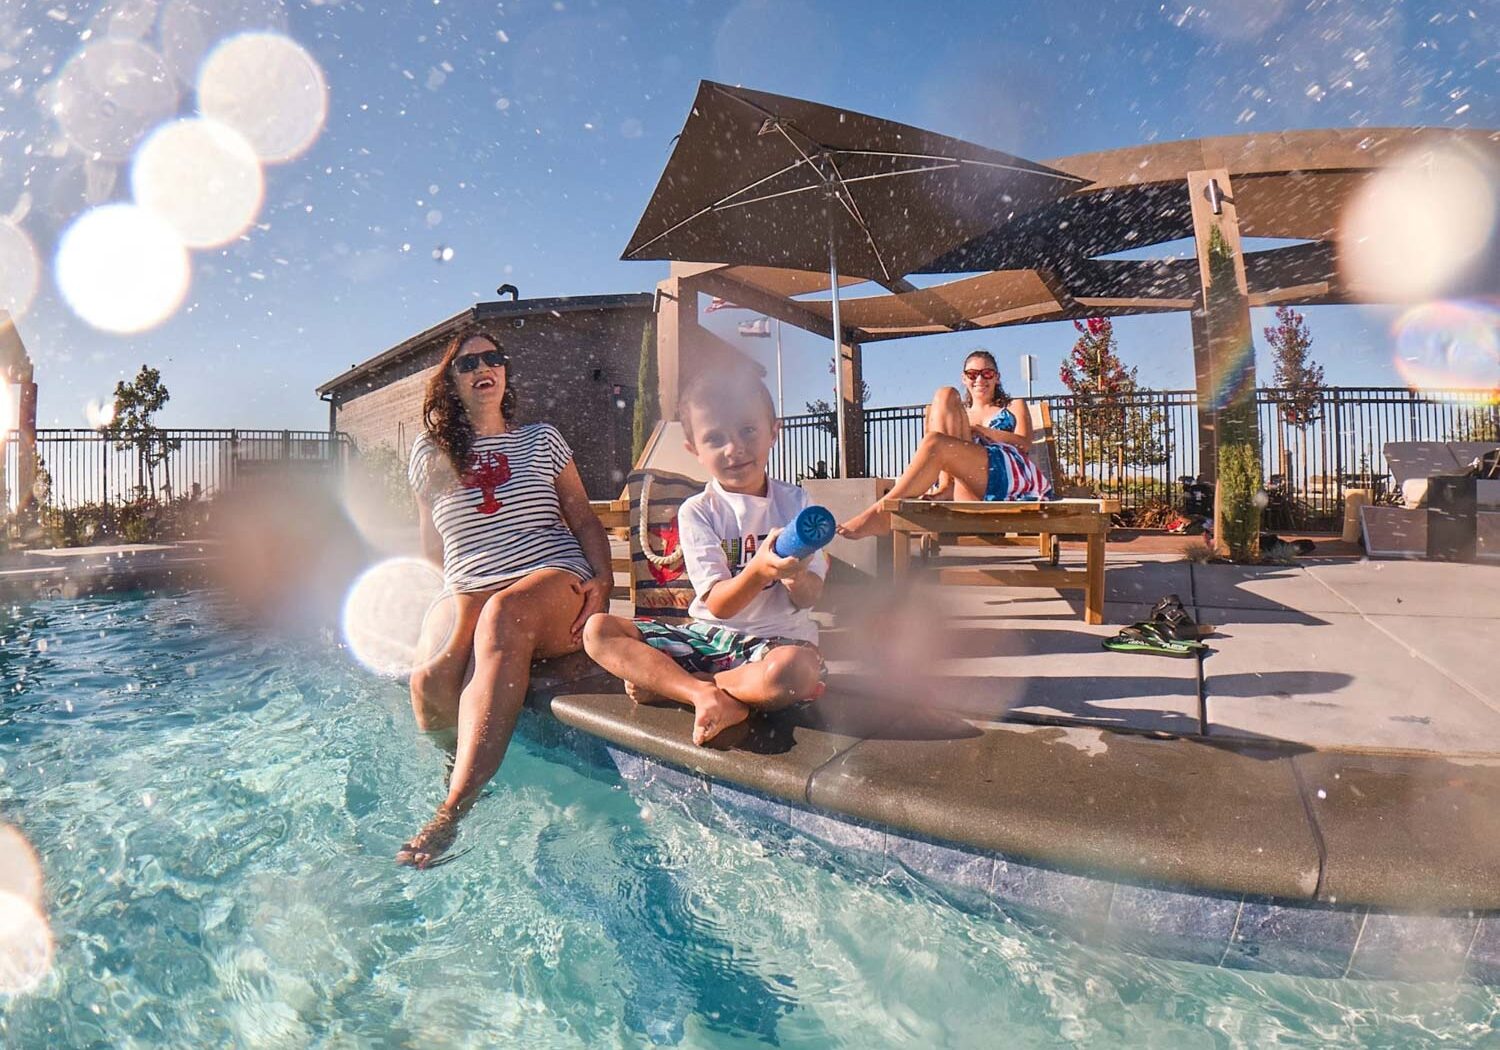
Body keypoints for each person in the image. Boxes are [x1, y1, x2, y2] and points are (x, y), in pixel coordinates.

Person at [400, 323, 613, 868]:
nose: (482, 369)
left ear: (505, 371)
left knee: (503, 617)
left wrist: (604, 579)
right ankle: (467, 767)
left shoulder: (541, 440)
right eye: (467, 364)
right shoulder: (429, 455)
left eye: (491, 359)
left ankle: (452, 809)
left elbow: (584, 520)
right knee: (428, 677)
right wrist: (441, 608)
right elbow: (432, 549)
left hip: (547, 577)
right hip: (469, 581)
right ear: (450, 382)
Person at [583, 365, 828, 746]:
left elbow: (812, 595)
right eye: (715, 438)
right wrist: (761, 570)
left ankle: (682, 687)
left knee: (795, 672)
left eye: (748, 430)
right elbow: (719, 605)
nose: (735, 449)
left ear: (773, 431)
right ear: (694, 449)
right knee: (599, 631)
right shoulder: (698, 510)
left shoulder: (797, 504)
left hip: (774, 645)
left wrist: (796, 576)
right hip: (707, 638)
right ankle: (703, 695)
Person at [839, 349, 1051, 538]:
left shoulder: (1013, 406)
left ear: (997, 377)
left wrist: (981, 430)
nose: (980, 379)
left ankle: (880, 512)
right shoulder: (959, 415)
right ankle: (945, 486)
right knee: (945, 394)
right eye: (972, 374)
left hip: (1003, 478)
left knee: (935, 441)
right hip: (966, 486)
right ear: (964, 378)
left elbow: (1023, 443)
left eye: (987, 373)